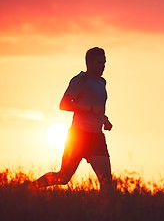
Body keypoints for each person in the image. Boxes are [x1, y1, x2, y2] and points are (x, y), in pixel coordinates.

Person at [32, 47, 113, 192]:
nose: (103, 66)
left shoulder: (102, 82)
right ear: (90, 63)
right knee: (63, 177)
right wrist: (89, 108)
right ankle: (28, 188)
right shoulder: (80, 80)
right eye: (100, 62)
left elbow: (98, 107)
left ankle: (105, 212)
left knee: (107, 182)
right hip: (78, 135)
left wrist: (104, 120)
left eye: (104, 62)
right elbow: (64, 104)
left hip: (97, 138)